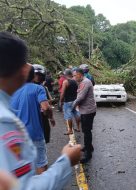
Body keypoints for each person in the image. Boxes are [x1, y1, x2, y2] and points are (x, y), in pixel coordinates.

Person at [0, 31, 81, 189]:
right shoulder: (6, 122)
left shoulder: (12, 97)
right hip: (35, 132)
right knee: (41, 162)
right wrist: (66, 161)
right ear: (24, 69)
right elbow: (22, 186)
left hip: (25, 133)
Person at [11, 65, 54, 174]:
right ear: (33, 76)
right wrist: (51, 117)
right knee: (41, 163)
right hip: (34, 133)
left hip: (15, 135)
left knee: (21, 165)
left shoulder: (13, 89)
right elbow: (45, 107)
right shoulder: (38, 89)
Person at [73, 68, 97, 163]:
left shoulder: (85, 82)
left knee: (87, 132)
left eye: (75, 75)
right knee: (86, 130)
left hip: (88, 111)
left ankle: (88, 154)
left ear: (79, 74)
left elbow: (80, 97)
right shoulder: (83, 82)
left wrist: (71, 107)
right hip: (86, 110)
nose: (74, 77)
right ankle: (89, 146)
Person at [60, 69, 81, 135]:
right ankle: (78, 127)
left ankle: (70, 130)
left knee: (68, 115)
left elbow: (62, 93)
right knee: (76, 113)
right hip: (75, 100)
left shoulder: (65, 82)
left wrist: (61, 101)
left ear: (66, 74)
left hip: (68, 101)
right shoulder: (75, 81)